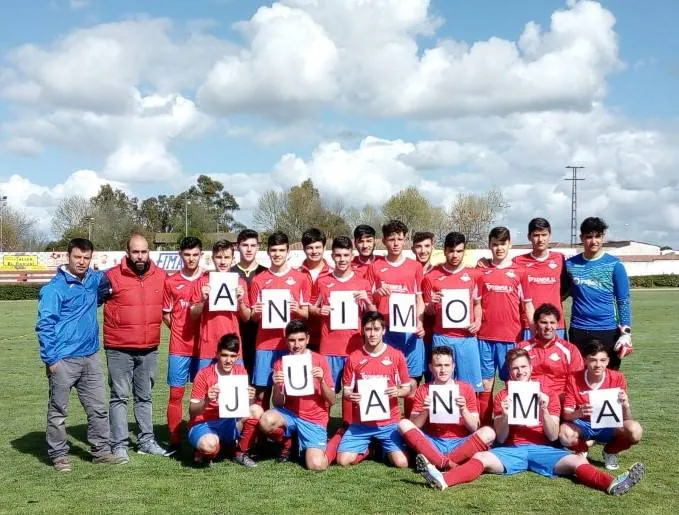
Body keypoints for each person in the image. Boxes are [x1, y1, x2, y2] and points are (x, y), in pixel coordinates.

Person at [418, 348, 645, 496]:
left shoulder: (546, 393)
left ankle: (612, 483)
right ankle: (443, 479)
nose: (519, 372)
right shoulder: (502, 396)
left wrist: (545, 410)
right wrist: (505, 416)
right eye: (515, 368)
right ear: (509, 371)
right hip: (512, 450)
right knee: (481, 457)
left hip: (543, 448)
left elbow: (554, 435)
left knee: (576, 462)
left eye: (523, 367)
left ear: (530, 368)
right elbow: (502, 437)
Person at [36, 238, 125, 471]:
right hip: (63, 360)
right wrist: (51, 360)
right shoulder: (54, 289)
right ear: (69, 256)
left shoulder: (93, 280)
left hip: (91, 357)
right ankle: (58, 455)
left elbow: (113, 275)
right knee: (58, 412)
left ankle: (101, 452)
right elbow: (45, 325)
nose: (82, 262)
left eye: (86, 258)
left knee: (98, 408)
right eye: (78, 257)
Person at [103, 233, 169, 460]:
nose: (140, 256)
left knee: (145, 397)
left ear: (148, 252)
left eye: (144, 251)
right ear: (127, 253)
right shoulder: (110, 277)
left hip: (149, 348)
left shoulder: (161, 276)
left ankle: (146, 441)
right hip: (119, 348)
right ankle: (119, 445)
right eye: (135, 252)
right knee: (119, 396)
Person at [309, 236, 376, 426]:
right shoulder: (322, 282)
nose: (342, 259)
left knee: (353, 394)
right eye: (338, 255)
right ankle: (321, 429)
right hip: (328, 348)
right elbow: (310, 308)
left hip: (354, 348)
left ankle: (351, 430)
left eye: (346, 255)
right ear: (332, 256)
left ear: (351, 255)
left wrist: (368, 300)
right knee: (325, 393)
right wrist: (318, 310)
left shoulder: (362, 283)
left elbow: (373, 315)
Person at [398, 346, 495, 472]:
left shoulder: (466, 388)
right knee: (403, 424)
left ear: (453, 366)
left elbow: (474, 428)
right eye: (438, 365)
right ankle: (446, 463)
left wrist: (464, 410)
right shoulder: (424, 389)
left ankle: (440, 462)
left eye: (447, 365)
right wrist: (425, 411)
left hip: (460, 443)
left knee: (489, 432)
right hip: (433, 442)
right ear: (431, 368)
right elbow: (415, 426)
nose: (443, 370)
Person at [335, 311, 411, 469]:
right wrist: (352, 396)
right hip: (362, 423)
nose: (372, 333)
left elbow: (407, 388)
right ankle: (368, 450)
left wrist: (397, 392)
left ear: (383, 331)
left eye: (376, 329)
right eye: (368, 329)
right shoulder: (354, 358)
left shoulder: (396, 356)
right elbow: (347, 391)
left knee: (402, 463)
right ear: (362, 331)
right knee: (342, 461)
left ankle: (383, 448)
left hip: (389, 422)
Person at [475, 227, 534, 425]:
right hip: (484, 338)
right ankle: (485, 430)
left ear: (509, 244)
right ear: (489, 245)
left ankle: (515, 428)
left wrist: (534, 333)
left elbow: (527, 304)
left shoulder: (520, 272)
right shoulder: (480, 271)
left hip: (511, 338)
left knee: (515, 383)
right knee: (485, 386)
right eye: (495, 244)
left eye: (503, 243)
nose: (499, 248)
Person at [259, 320, 336, 470]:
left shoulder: (320, 360)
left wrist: (322, 382)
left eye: (301, 340)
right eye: (292, 340)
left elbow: (332, 400)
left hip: (314, 419)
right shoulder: (281, 363)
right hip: (290, 414)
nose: (297, 345)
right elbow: (278, 404)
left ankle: (337, 438)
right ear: (286, 340)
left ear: (307, 339)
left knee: (316, 466)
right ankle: (288, 442)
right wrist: (276, 385)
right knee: (266, 421)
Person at [366, 220, 425, 415]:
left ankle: (409, 428)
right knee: (383, 381)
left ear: (405, 240)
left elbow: (419, 299)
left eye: (400, 239)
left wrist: (420, 322)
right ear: (383, 241)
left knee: (412, 384)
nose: (396, 243)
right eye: (391, 239)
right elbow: (369, 302)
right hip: (387, 333)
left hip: (409, 333)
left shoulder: (415, 267)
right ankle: (382, 427)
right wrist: (376, 294)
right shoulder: (375, 267)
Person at [250, 231, 312, 408]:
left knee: (291, 391)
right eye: (274, 250)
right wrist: (257, 312)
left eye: (281, 250)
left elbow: (307, 314)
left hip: (290, 344)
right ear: (268, 252)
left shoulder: (301, 279)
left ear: (288, 253)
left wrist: (296, 309)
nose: (277, 254)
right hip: (265, 344)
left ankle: (285, 434)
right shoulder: (258, 280)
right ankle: (260, 434)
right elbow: (253, 317)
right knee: (262, 394)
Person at [559, 340, 643, 471]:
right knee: (564, 433)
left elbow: (627, 418)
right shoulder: (573, 378)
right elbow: (567, 414)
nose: (598, 365)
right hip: (584, 424)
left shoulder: (617, 377)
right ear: (585, 360)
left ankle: (610, 451)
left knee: (635, 430)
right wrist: (579, 413)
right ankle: (581, 450)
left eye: (602, 360)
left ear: (608, 361)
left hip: (609, 424)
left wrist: (625, 405)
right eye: (593, 360)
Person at [565, 217, 632, 369]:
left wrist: (626, 332)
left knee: (608, 379)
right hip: (578, 330)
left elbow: (623, 301)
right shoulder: (570, 265)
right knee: (579, 378)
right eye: (589, 236)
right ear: (582, 238)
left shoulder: (615, 265)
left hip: (607, 331)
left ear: (603, 237)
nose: (594, 241)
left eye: (598, 236)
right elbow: (560, 294)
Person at [188, 334, 262, 467]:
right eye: (224, 355)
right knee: (209, 445)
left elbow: (244, 407)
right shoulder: (204, 374)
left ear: (237, 357)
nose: (228, 360)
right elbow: (192, 412)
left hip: (228, 422)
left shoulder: (240, 371)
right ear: (217, 354)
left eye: (233, 356)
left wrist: (251, 398)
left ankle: (239, 452)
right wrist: (206, 400)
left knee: (256, 410)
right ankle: (204, 450)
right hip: (204, 423)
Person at [422, 232, 483, 392]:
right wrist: (431, 304)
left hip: (467, 338)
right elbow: (427, 313)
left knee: (470, 389)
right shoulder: (431, 277)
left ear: (464, 251)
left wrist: (477, 322)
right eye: (451, 251)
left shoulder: (475, 275)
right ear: (444, 250)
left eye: (459, 251)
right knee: (441, 387)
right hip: (442, 338)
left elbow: (477, 304)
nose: (455, 255)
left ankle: (471, 417)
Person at [162, 237, 204, 453]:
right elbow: (166, 315)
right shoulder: (171, 282)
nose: (191, 259)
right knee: (176, 394)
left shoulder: (209, 280)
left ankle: (198, 436)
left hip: (204, 349)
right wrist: (179, 331)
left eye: (195, 255)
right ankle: (174, 440)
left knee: (201, 396)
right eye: (187, 255)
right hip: (179, 348)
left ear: (201, 255)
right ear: (180, 255)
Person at [190, 239, 251, 362]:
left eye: (227, 257)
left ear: (233, 259)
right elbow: (193, 315)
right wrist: (202, 301)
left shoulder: (240, 283)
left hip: (232, 347)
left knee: (234, 382)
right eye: (218, 257)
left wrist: (240, 302)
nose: (223, 262)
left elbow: (247, 317)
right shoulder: (202, 282)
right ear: (212, 258)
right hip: (208, 346)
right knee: (207, 382)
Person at [512, 218, 567, 340]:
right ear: (529, 237)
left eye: (544, 235)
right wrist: (484, 261)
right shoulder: (518, 262)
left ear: (550, 236)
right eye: (536, 235)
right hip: (528, 324)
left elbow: (567, 289)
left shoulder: (560, 259)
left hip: (555, 325)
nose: (540, 239)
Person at [517, 303, 583, 397]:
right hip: (529, 398)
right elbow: (513, 377)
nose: (548, 327)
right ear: (536, 324)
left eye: (552, 323)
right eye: (544, 322)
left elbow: (576, 381)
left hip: (559, 399)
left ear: (557, 325)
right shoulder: (522, 348)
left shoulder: (570, 350)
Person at [231, 229, 268, 380]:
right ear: (237, 247)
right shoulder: (228, 273)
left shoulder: (265, 273)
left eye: (253, 245)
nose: (249, 249)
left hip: (260, 336)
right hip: (234, 334)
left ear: (258, 247)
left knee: (259, 386)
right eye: (245, 245)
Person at [299, 228, 333, 352]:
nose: (314, 251)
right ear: (303, 249)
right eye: (310, 248)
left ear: (324, 248)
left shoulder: (334, 273)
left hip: (327, 337)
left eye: (318, 247)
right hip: (300, 338)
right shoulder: (296, 274)